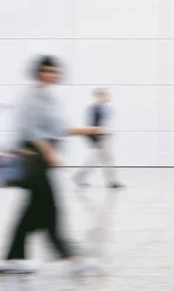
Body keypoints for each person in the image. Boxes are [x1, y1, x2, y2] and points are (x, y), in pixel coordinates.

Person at [0, 56, 102, 275]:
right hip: (35, 159)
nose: (50, 74)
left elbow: (59, 128)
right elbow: (33, 130)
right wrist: (49, 153)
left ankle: (12, 259)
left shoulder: (48, 96)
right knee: (51, 211)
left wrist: (88, 130)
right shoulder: (33, 95)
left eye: (53, 71)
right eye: (46, 70)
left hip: (40, 161)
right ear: (37, 72)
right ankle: (72, 259)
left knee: (32, 212)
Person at [73, 88, 124, 189]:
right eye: (104, 95)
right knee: (108, 159)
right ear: (99, 96)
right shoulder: (94, 108)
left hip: (106, 136)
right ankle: (112, 181)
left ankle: (79, 176)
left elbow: (107, 123)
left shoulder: (107, 108)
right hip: (100, 137)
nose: (107, 97)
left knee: (96, 159)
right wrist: (93, 138)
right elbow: (90, 124)